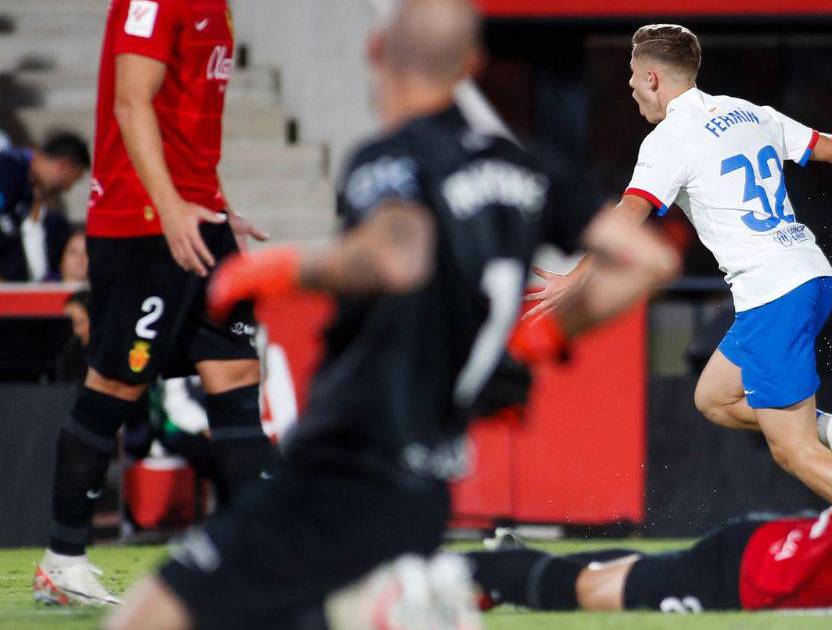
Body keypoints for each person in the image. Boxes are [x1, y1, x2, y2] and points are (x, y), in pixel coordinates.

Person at [104, 1, 679, 629]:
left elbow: (398, 256)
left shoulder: (390, 158)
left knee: (147, 618)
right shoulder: (527, 168)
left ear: (375, 51)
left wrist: (281, 269)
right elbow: (650, 261)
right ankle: (381, 604)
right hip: (426, 490)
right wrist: (543, 334)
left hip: (339, 468)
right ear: (472, 65)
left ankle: (387, 606)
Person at [528, 24, 832, 501]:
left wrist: (576, 279)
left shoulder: (669, 138)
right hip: (809, 274)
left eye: (633, 75)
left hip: (773, 291)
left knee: (794, 451)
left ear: (652, 78)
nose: (629, 85)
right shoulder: (748, 113)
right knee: (713, 398)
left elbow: (628, 216)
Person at [467, 350, 832, 614]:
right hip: (753, 579)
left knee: (629, 570)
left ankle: (498, 565)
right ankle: (469, 573)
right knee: (595, 592)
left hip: (789, 548)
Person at [34, 0, 274, 606]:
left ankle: (259, 563)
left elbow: (189, 133)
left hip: (199, 217)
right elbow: (130, 102)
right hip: (143, 224)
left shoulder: (219, 9)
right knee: (118, 382)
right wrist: (170, 208)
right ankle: (62, 561)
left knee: (237, 374)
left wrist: (218, 206)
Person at [0, 132, 89, 282]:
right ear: (64, 165)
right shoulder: (8, 172)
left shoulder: (50, 219)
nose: (68, 188)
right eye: (72, 179)